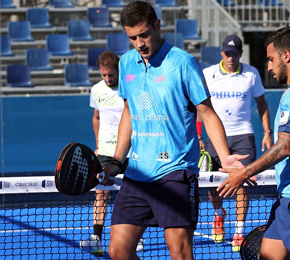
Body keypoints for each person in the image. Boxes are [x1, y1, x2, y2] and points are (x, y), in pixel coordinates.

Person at [104, 2, 251, 260]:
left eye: (144, 34)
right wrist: (117, 160)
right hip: (137, 174)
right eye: (132, 37)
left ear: (157, 26)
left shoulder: (183, 63)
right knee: (118, 252)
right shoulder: (126, 63)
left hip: (176, 171)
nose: (139, 43)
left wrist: (225, 156)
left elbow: (206, 112)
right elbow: (129, 112)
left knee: (180, 253)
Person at [217, 27, 290, 260]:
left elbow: (285, 146)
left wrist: (244, 173)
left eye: (271, 59)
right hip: (289, 198)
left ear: (287, 56)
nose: (268, 67)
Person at [198, 34, 272, 252]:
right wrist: (200, 136)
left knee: (242, 181)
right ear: (222, 53)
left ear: (241, 54)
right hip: (214, 137)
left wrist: (267, 132)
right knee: (212, 184)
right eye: (228, 53)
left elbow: (262, 104)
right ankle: (219, 214)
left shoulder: (251, 74)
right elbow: (200, 108)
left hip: (243, 134)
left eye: (235, 53)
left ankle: (239, 231)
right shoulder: (208, 74)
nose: (231, 57)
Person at [80, 50, 135, 255]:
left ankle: (133, 238)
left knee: (131, 194)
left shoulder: (129, 88)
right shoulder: (96, 90)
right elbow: (96, 117)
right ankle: (96, 237)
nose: (107, 78)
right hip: (104, 150)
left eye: (110, 74)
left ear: (117, 71)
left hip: (129, 150)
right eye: (103, 75)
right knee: (101, 193)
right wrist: (97, 144)